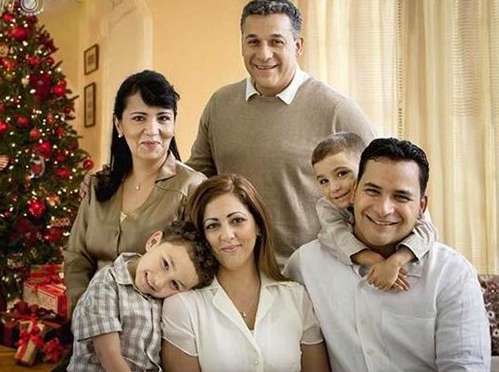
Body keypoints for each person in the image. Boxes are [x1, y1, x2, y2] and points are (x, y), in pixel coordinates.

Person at [187, 0, 377, 267]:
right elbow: (196, 182)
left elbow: (386, 180)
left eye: (276, 42)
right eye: (253, 42)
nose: (264, 54)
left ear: (297, 46)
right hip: (234, 272)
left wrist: (400, 253)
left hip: (308, 274)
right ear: (242, 44)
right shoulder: (219, 104)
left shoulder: (336, 110)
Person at [284, 138, 490, 371]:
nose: (383, 209)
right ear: (354, 192)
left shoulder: (452, 274)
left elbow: (464, 366)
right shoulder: (306, 265)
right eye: (372, 191)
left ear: (421, 206)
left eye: (401, 197)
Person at [64, 70, 206, 311]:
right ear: (119, 124)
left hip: (154, 330)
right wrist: (85, 314)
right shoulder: (98, 185)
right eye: (139, 118)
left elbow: (195, 276)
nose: (152, 130)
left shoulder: (193, 188)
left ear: (174, 124)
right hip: (90, 321)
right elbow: (77, 258)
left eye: (163, 118)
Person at [162, 174, 330, 372]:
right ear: (203, 236)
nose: (227, 235)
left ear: (258, 225)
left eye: (237, 220)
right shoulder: (183, 306)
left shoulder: (296, 297)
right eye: (213, 225)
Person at [68, 220, 218, 372]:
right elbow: (108, 355)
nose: (159, 282)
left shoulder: (162, 301)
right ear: (153, 242)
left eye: (174, 284)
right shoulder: (107, 284)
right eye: (165, 264)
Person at [311, 132, 437, 291]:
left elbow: (428, 232)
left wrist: (395, 262)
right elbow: (335, 236)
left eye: (342, 173)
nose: (334, 188)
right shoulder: (327, 206)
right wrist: (375, 260)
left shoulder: (410, 203)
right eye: (324, 181)